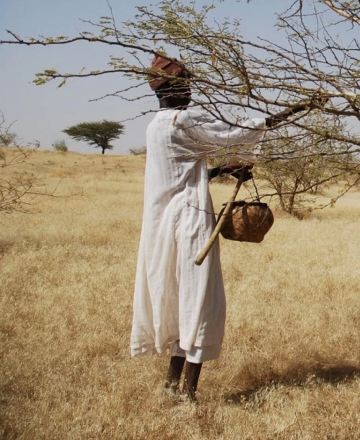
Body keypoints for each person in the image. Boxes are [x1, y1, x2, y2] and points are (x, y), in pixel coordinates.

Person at [131, 54, 325, 400]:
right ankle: (187, 395)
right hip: (190, 224)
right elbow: (240, 129)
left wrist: (223, 170)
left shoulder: (156, 125)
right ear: (173, 88)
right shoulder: (182, 121)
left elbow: (187, 174)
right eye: (186, 85)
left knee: (181, 301)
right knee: (201, 302)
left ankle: (170, 387)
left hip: (165, 227)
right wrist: (301, 107)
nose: (191, 92)